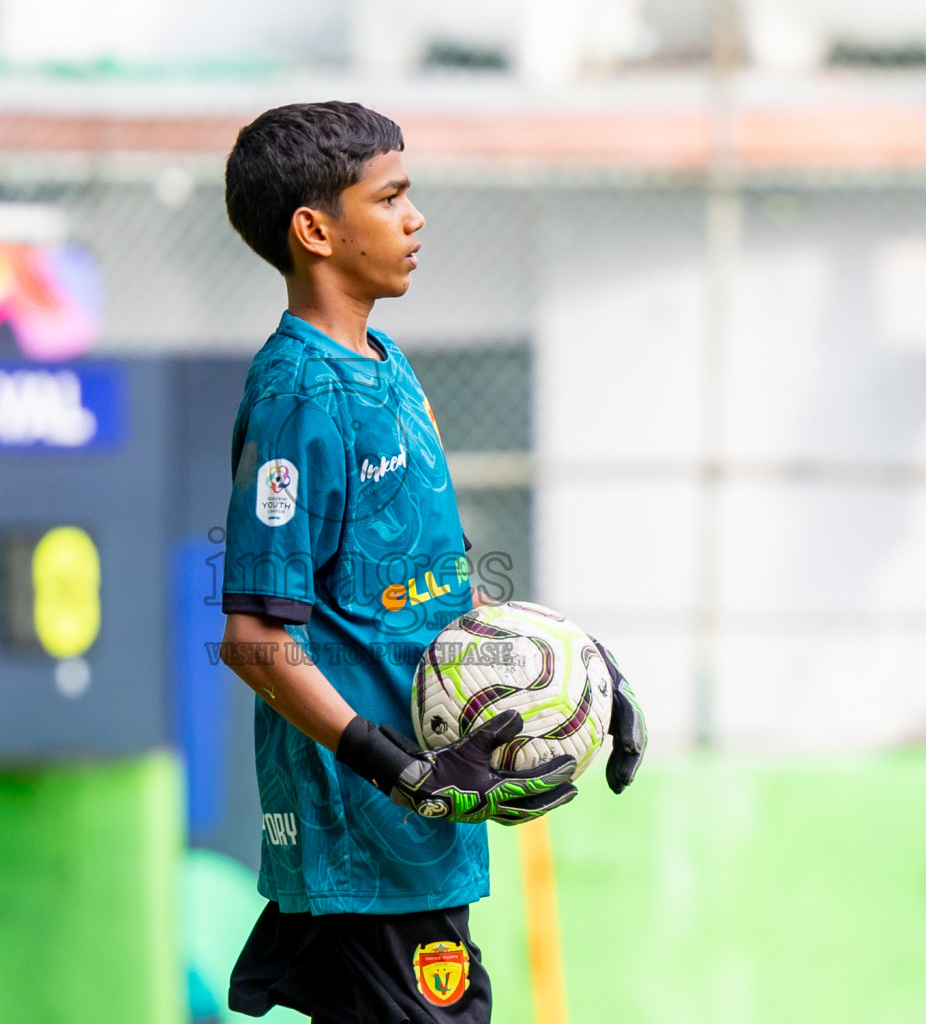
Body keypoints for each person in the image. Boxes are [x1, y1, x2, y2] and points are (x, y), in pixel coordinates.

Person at [218, 100, 646, 1023]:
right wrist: (394, 767)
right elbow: (254, 638)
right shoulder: (301, 394)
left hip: (419, 833)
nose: (416, 220)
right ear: (315, 230)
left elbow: (428, 589)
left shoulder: (388, 362)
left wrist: (579, 676)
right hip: (368, 832)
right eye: (392, 198)